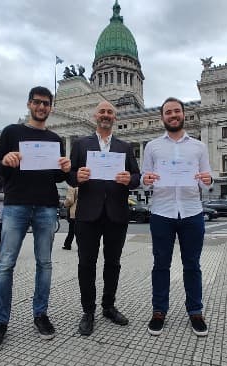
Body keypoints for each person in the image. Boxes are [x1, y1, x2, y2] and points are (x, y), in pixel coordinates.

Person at [0, 86, 71, 354]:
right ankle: (0, 322)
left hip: (45, 205)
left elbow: (55, 177)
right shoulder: (12, 132)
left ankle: (40, 314)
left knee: (44, 263)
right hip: (16, 204)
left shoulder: (56, 138)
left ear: (51, 107)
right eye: (37, 102)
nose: (41, 107)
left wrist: (65, 169)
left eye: (46, 103)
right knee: (5, 264)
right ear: (29, 104)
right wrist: (6, 161)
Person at [68, 100, 141, 336]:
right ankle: (87, 311)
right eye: (102, 111)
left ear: (115, 117)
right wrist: (76, 176)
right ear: (95, 116)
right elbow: (69, 177)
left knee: (113, 263)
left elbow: (137, 177)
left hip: (116, 212)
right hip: (88, 213)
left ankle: (108, 306)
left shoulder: (125, 146)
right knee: (86, 264)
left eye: (110, 112)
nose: (106, 115)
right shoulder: (80, 145)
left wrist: (128, 180)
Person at [141, 97, 213, 337]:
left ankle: (195, 311)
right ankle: (159, 311)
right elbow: (144, 178)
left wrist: (207, 181)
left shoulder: (198, 147)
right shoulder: (152, 147)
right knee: (160, 265)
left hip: (192, 211)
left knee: (192, 265)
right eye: (168, 112)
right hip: (162, 211)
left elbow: (208, 179)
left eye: (176, 111)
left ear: (183, 114)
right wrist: (146, 180)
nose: (173, 115)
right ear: (162, 117)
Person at [62, 186, 78, 250]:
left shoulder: (72, 186)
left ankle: (67, 245)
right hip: (85, 212)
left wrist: (64, 204)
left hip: (75, 211)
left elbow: (70, 200)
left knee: (72, 230)